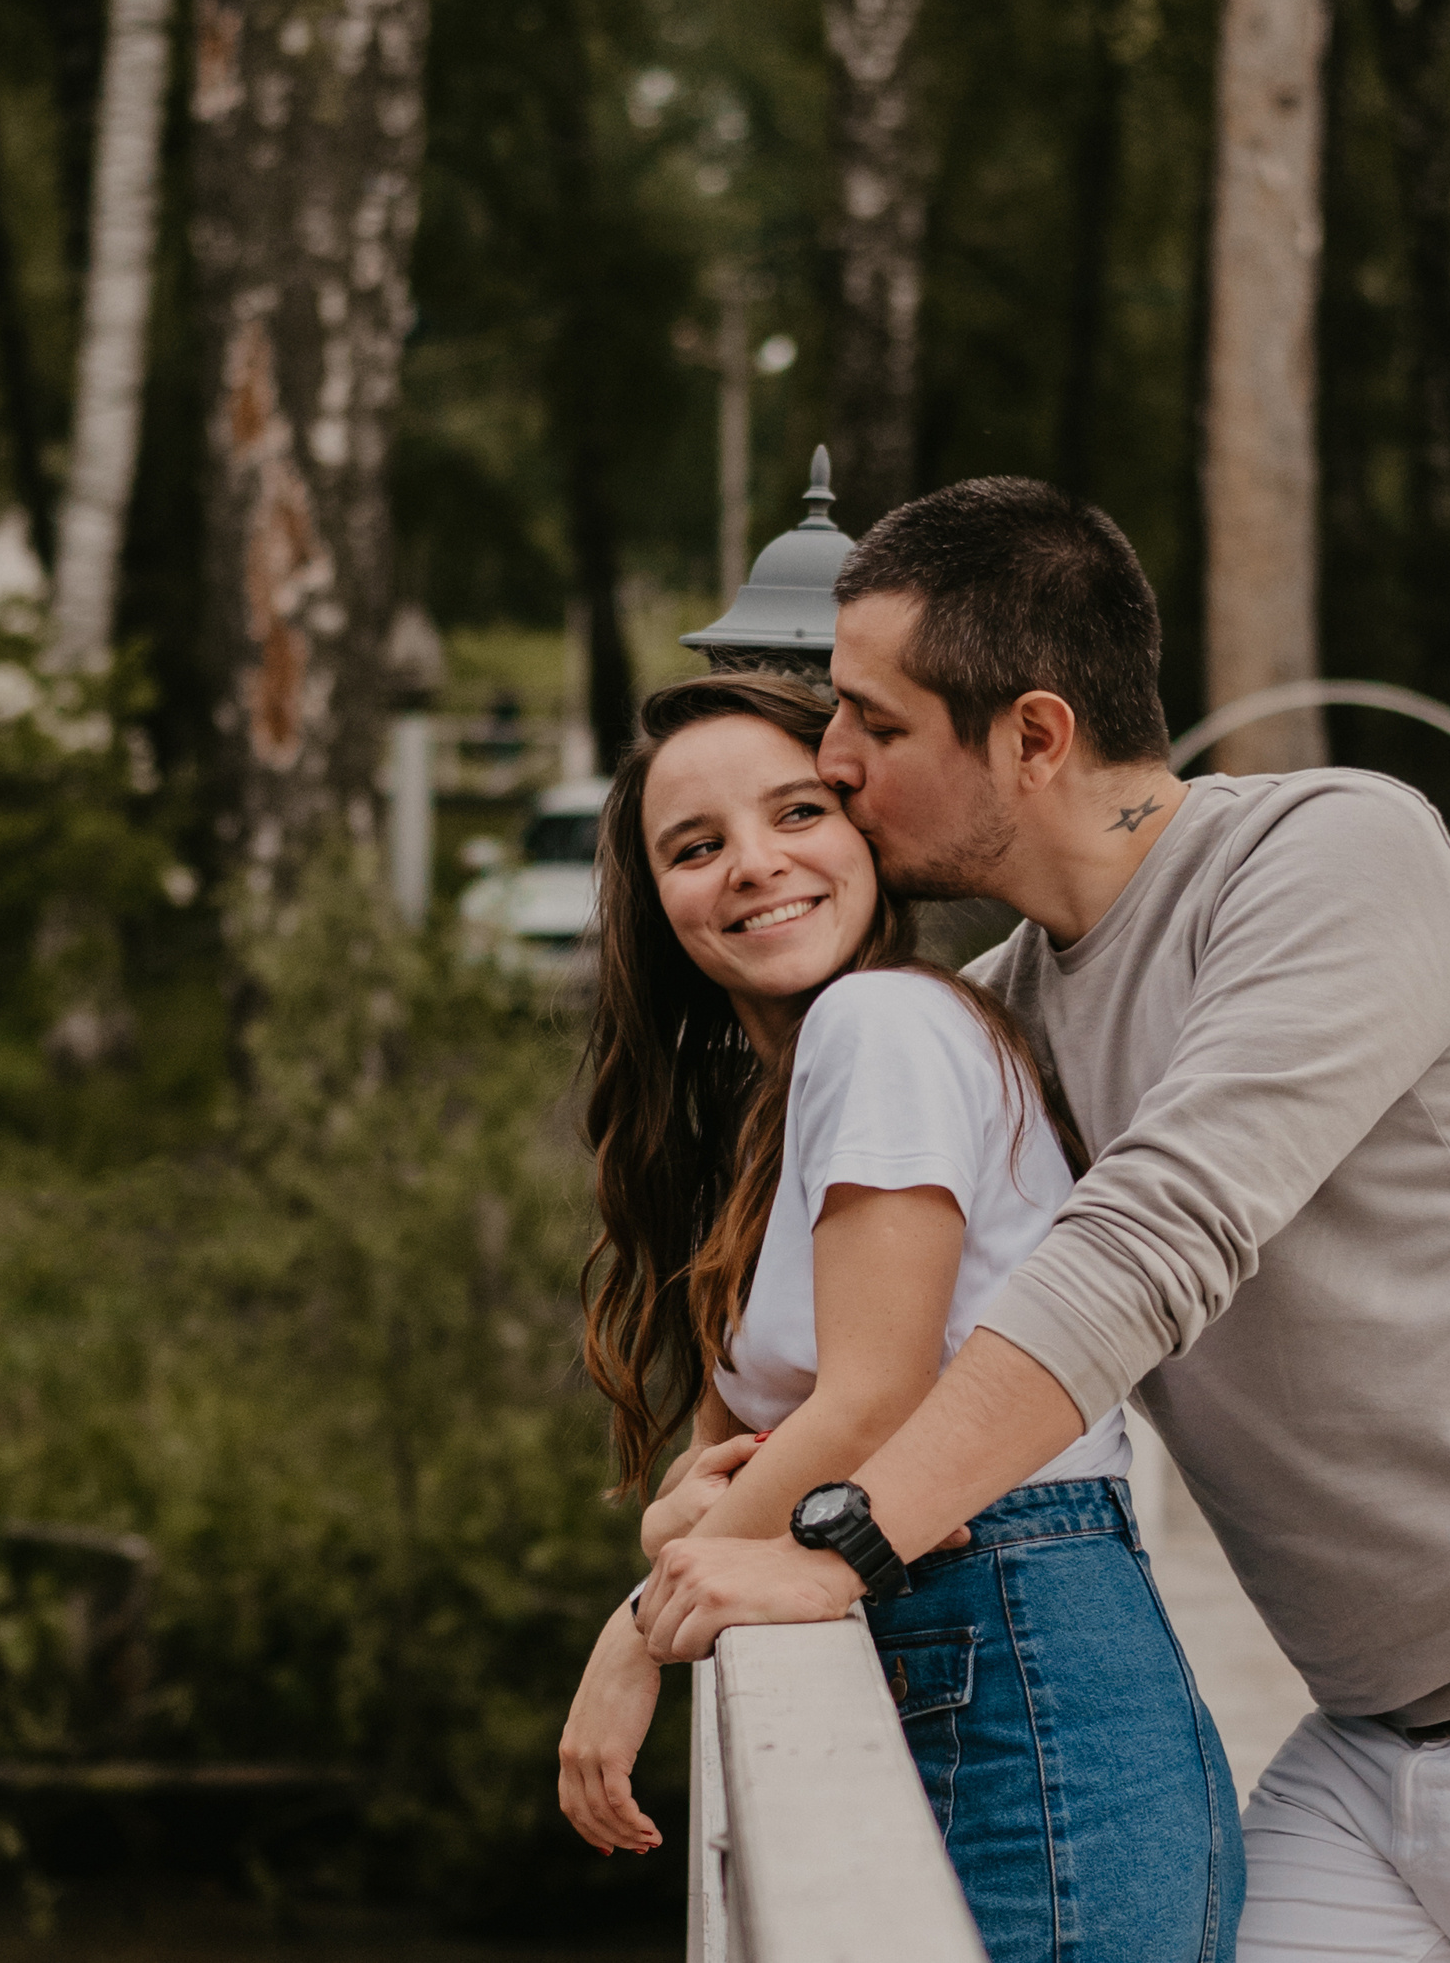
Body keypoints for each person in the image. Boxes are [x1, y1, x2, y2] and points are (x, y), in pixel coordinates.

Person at [635, 480, 1450, 1963]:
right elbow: (898, 1326)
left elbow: (1156, 1244)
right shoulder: (1011, 1011)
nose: (834, 767)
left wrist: (834, 1547)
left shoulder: (1336, 854)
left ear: (1034, 736)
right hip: (1374, 1752)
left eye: (875, 727)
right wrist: (712, 1517)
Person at [556, 671, 1243, 1963]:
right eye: (696, 847)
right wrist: (684, 1517)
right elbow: (762, 1448)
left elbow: (873, 1402)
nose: (754, 866)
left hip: (1018, 1661)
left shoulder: (883, 1025)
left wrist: (637, 1627)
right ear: (660, 906)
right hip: (974, 1655)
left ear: (867, 830)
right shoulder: (790, 1102)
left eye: (799, 811)